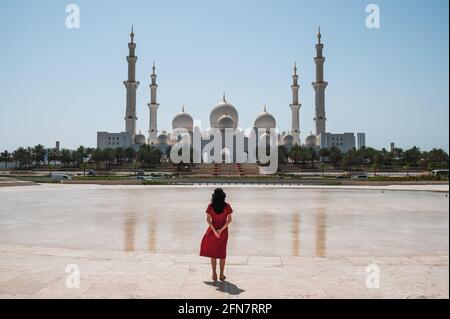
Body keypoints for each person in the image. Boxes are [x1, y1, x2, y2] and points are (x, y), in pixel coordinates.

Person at [199, 188, 233, 281]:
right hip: (223, 232)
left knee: (213, 253)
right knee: (222, 254)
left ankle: (214, 274)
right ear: (223, 196)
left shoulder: (210, 206)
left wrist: (214, 231)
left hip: (212, 232)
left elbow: (208, 220)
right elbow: (229, 220)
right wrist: (220, 230)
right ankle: (221, 275)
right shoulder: (227, 206)